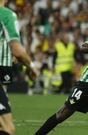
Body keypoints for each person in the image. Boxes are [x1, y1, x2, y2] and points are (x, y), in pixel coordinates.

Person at [0, 0, 37, 135]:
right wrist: (31, 66)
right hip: (2, 64)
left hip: (4, 64)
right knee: (7, 128)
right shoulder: (6, 14)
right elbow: (17, 49)